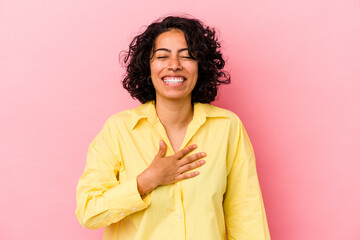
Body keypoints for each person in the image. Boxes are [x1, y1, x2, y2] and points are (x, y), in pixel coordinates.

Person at [76, 15, 271, 240]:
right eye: (162, 56)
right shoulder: (118, 130)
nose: (174, 65)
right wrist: (146, 181)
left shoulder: (227, 127)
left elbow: (248, 220)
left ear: (201, 66)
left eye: (187, 56)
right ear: (147, 66)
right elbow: (89, 212)